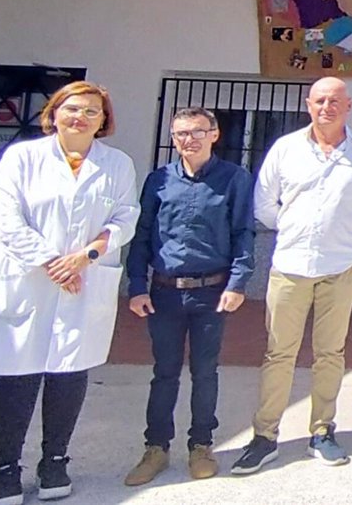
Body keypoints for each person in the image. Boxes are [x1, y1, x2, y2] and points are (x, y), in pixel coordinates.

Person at [0, 81, 139, 505]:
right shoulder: (22, 158)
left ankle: (55, 461)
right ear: (54, 113)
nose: (80, 117)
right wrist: (51, 261)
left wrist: (85, 257)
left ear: (103, 121)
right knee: (17, 373)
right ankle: (5, 468)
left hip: (83, 277)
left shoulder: (117, 164)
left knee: (69, 372)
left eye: (92, 111)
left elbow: (125, 217)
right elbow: (3, 217)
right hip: (28, 278)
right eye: (72, 108)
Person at [232, 77, 352, 474]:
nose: (327, 107)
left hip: (341, 267)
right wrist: (293, 229)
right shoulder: (285, 148)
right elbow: (264, 203)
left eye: (335, 100)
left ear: (348, 106)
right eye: (320, 100)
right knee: (278, 353)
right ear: (308, 104)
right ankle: (265, 436)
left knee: (330, 353)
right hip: (290, 267)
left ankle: (322, 432)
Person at [123, 107, 255, 486]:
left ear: (214, 134)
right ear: (173, 138)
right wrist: (136, 285)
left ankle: (201, 445)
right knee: (164, 373)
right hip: (164, 293)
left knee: (205, 371)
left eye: (198, 131)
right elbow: (142, 234)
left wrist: (237, 283)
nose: (189, 139)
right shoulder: (159, 180)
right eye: (181, 133)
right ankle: (155, 448)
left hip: (211, 292)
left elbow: (243, 233)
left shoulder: (234, 178)